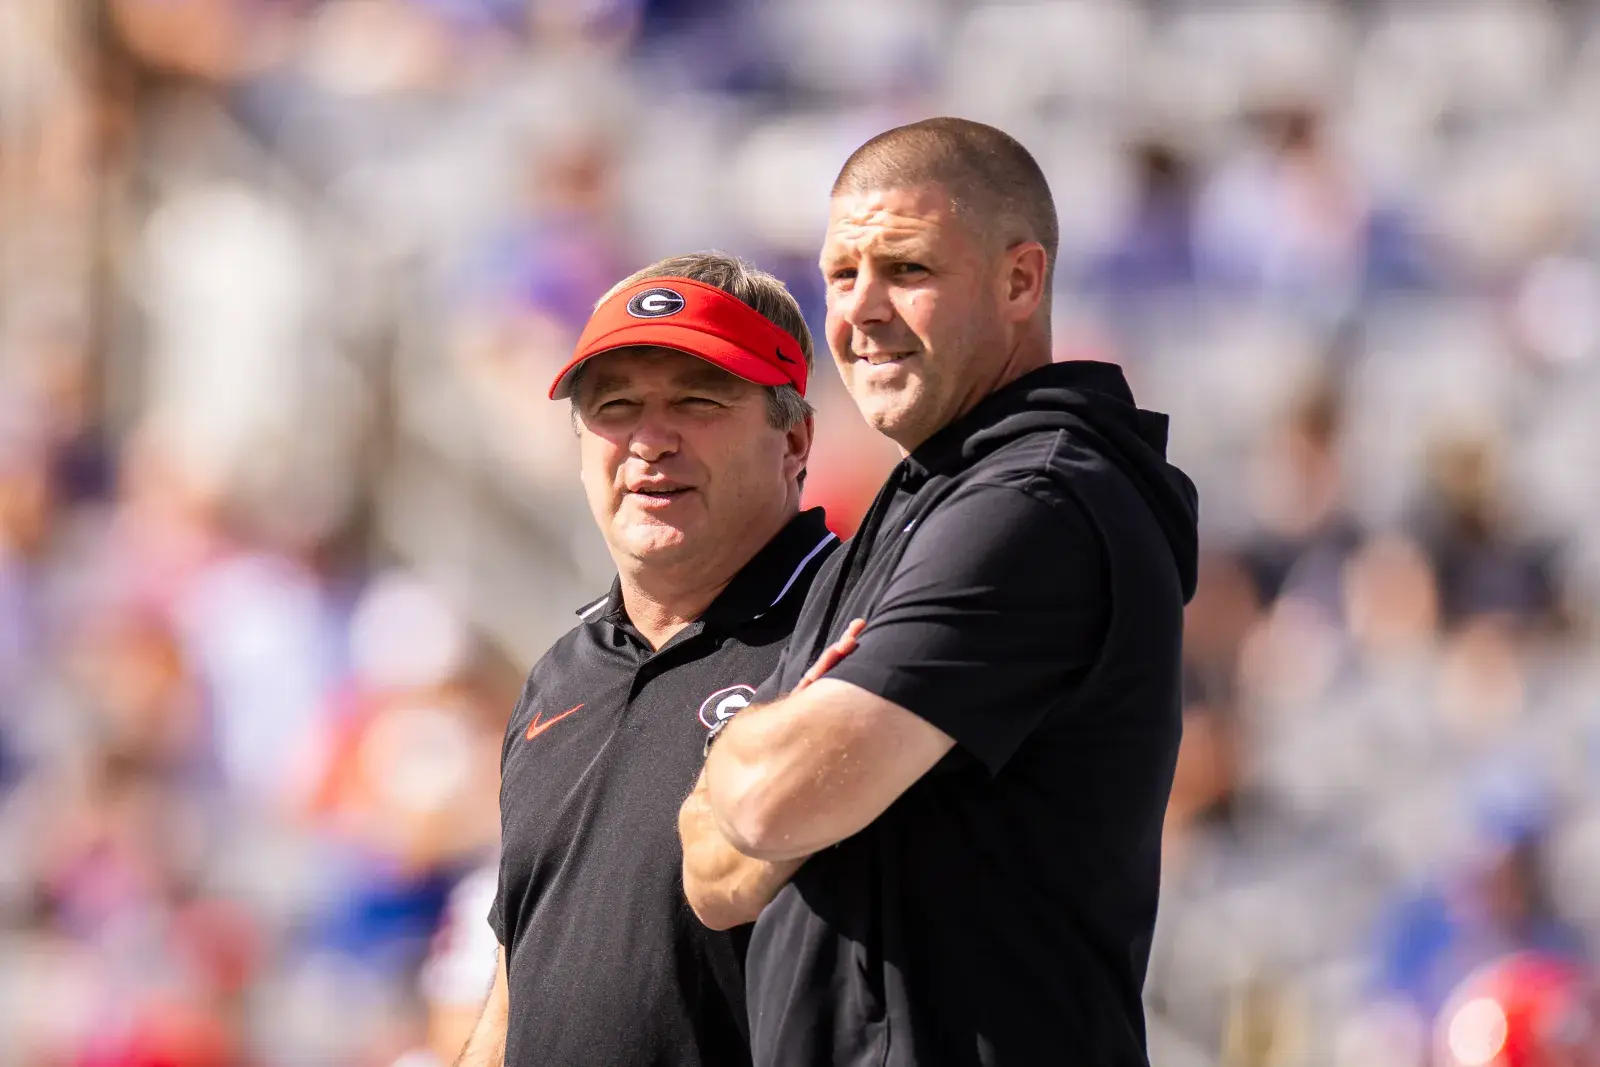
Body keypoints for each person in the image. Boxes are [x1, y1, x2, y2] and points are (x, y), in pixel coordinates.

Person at [680, 117, 1200, 1065]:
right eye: (841, 275)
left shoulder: (1036, 503)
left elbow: (760, 805)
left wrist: (763, 746)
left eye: (907, 270)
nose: (860, 310)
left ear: (1020, 280)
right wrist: (796, 757)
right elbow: (712, 877)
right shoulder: (929, 498)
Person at [452, 252, 840, 1067]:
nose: (648, 440)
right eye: (615, 406)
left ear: (795, 437)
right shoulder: (564, 672)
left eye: (698, 402)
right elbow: (520, 979)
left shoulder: (847, 631)